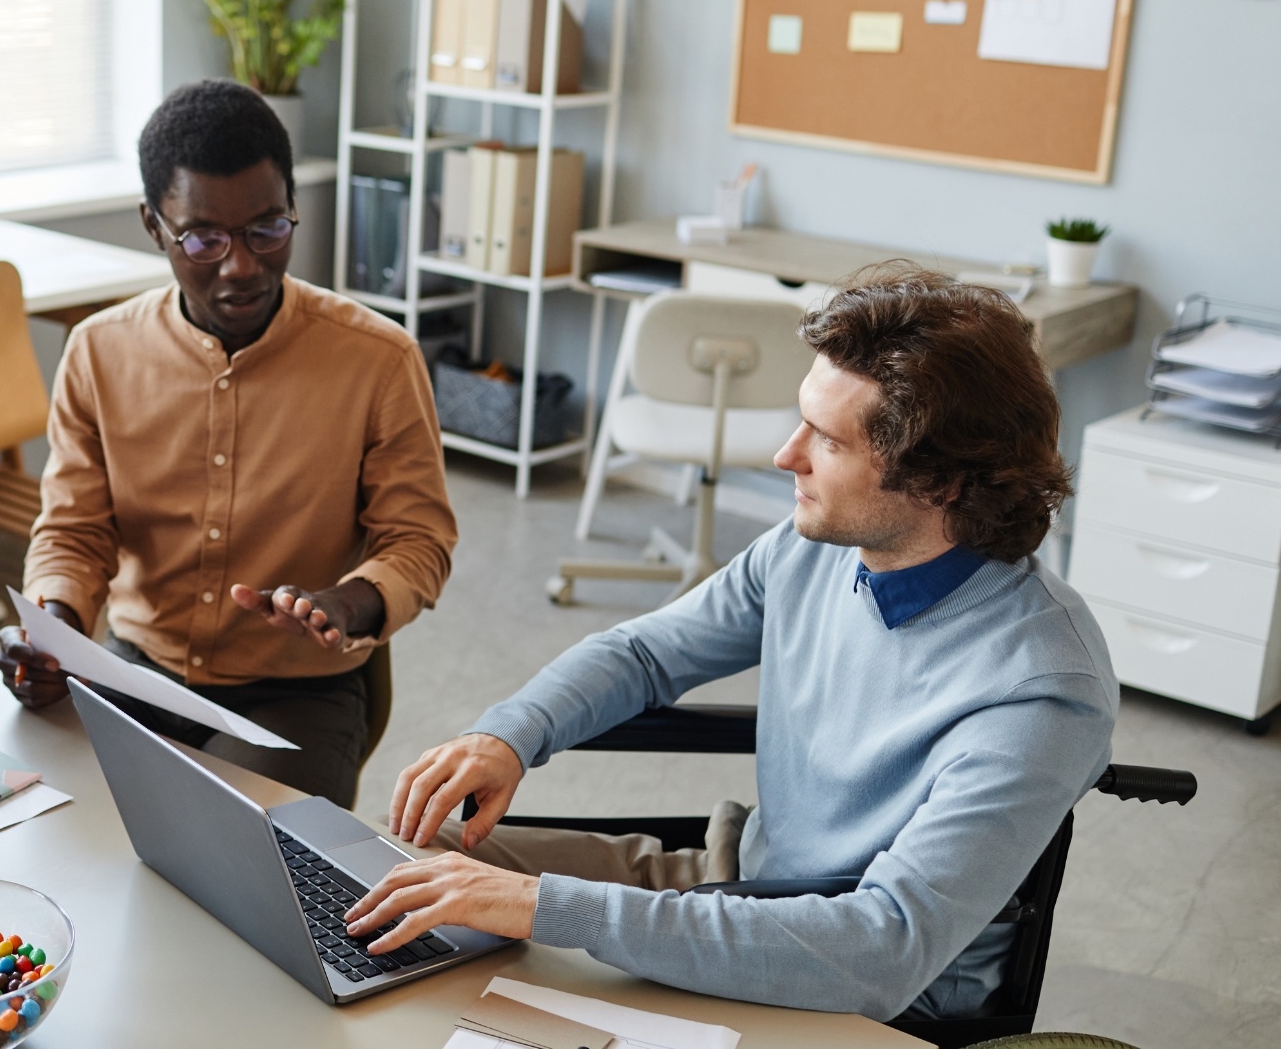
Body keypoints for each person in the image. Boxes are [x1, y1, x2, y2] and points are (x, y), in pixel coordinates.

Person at [345, 267, 1118, 1021]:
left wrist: (549, 909)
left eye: (828, 440)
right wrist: (510, 734)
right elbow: (648, 653)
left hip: (853, 991)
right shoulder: (816, 546)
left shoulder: (1042, 689)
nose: (785, 456)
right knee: (414, 863)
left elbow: (882, 949)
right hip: (732, 879)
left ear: (943, 483)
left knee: (495, 949)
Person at [0, 79, 456, 807]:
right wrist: (55, 635)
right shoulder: (99, 352)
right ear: (154, 225)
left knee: (242, 865)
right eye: (204, 238)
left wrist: (351, 603)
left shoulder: (378, 360)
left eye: (267, 229)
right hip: (137, 672)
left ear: (293, 209)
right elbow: (75, 531)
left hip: (298, 695)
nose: (241, 265)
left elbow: (418, 540)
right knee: (28, 818)